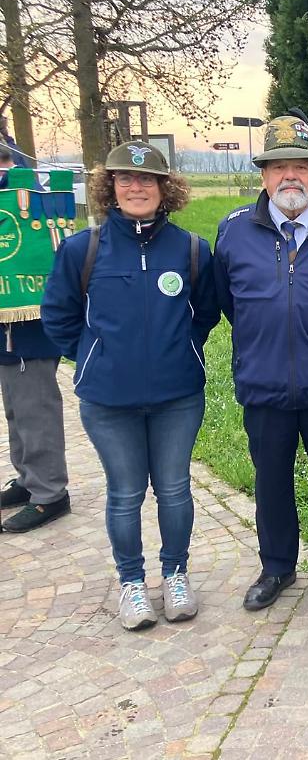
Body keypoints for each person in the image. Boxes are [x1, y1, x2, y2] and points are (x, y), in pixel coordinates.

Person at [40, 141, 219, 630]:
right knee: (124, 493)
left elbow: (206, 313)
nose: (136, 187)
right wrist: (96, 356)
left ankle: (176, 576)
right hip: (108, 401)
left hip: (177, 398)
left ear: (165, 189)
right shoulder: (83, 249)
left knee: (176, 490)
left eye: (147, 180)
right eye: (125, 180)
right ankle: (133, 584)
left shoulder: (190, 249)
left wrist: (180, 348)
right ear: (110, 188)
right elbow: (58, 316)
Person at [214, 110, 308, 611]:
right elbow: (228, 301)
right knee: (271, 482)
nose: (290, 177)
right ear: (263, 174)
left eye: (301, 166)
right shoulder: (234, 232)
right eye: (278, 166)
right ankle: (277, 566)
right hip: (265, 385)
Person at [1, 147, 71, 533]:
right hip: (5, 326)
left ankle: (49, 492)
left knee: (35, 409)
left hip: (30, 328)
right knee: (15, 407)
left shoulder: (24, 191)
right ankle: (28, 479)